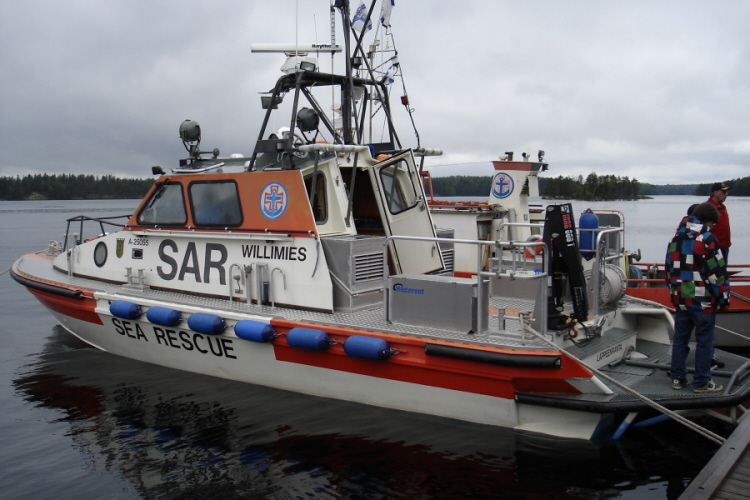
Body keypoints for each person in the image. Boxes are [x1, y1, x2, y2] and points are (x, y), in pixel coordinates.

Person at [666, 202, 730, 393]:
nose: (712, 227)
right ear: (707, 220)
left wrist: (675, 291)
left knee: (680, 340)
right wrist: (723, 298)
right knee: (704, 342)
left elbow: (669, 269)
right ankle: (701, 382)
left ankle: (677, 378)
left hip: (681, 299)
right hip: (703, 301)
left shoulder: (676, 237)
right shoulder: (707, 238)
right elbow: (716, 273)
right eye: (712, 224)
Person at [707, 182, 731, 263]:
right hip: (713, 248)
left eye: (726, 192)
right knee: (714, 269)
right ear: (715, 193)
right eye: (723, 192)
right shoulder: (707, 207)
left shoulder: (722, 207)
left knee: (723, 269)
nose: (726, 194)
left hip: (725, 247)